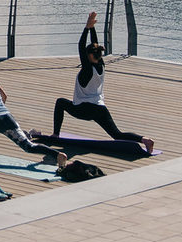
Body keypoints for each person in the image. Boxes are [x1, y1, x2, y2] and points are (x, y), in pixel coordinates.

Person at [45, 12, 153, 151]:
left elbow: (80, 45)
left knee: (60, 102)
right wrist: (92, 28)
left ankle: (55, 134)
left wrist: (86, 28)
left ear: (89, 56)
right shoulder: (101, 65)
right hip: (100, 108)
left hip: (84, 110)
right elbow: (93, 44)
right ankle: (144, 139)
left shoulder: (87, 69)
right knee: (117, 134)